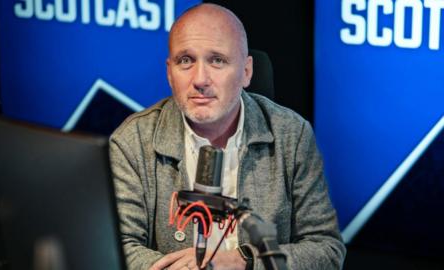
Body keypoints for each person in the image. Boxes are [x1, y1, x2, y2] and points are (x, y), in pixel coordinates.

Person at [110, 3, 346, 270]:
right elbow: (118, 246)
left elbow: (326, 250)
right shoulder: (132, 141)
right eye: (185, 60)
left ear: (246, 72)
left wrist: (245, 261)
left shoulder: (292, 135)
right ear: (169, 73)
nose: (200, 79)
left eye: (217, 60)